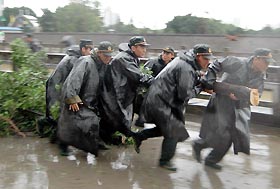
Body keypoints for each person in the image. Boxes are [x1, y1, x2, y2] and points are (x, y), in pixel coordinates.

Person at [132, 44, 213, 171]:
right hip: (161, 101)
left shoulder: (184, 62)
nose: (208, 62)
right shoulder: (186, 68)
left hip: (159, 99)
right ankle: (165, 161)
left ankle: (139, 136)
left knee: (165, 129)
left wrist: (198, 80)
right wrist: (200, 87)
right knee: (174, 131)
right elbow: (184, 94)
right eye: (206, 59)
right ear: (198, 56)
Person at [192, 48, 275, 170]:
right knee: (222, 134)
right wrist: (210, 80)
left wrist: (242, 96)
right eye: (266, 62)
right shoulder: (237, 63)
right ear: (257, 59)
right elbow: (216, 64)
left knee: (231, 136)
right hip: (221, 102)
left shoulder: (260, 76)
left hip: (238, 106)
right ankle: (200, 146)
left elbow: (257, 95)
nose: (267, 65)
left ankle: (210, 158)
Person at [57, 41, 114, 156]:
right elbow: (74, 79)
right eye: (105, 55)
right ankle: (62, 144)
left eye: (110, 55)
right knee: (69, 121)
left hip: (88, 99)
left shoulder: (103, 65)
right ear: (98, 53)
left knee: (92, 121)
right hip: (74, 95)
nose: (108, 58)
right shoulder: (86, 61)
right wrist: (72, 98)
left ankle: (92, 143)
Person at [99, 36, 153, 145]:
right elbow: (138, 76)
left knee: (117, 122)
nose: (144, 49)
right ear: (133, 48)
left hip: (123, 95)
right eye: (142, 47)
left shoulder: (132, 57)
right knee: (115, 122)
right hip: (114, 96)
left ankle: (107, 140)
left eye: (145, 47)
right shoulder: (124, 58)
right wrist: (156, 82)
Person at [43, 39, 93, 142]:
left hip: (60, 86)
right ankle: (61, 142)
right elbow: (73, 81)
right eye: (89, 49)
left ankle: (51, 133)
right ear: (83, 49)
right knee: (63, 114)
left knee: (60, 114)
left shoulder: (76, 56)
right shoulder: (74, 60)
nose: (91, 52)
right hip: (57, 87)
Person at [134, 46, 176, 127]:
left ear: (172, 56)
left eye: (168, 53)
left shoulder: (172, 65)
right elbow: (144, 73)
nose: (165, 55)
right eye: (164, 52)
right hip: (150, 87)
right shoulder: (153, 62)